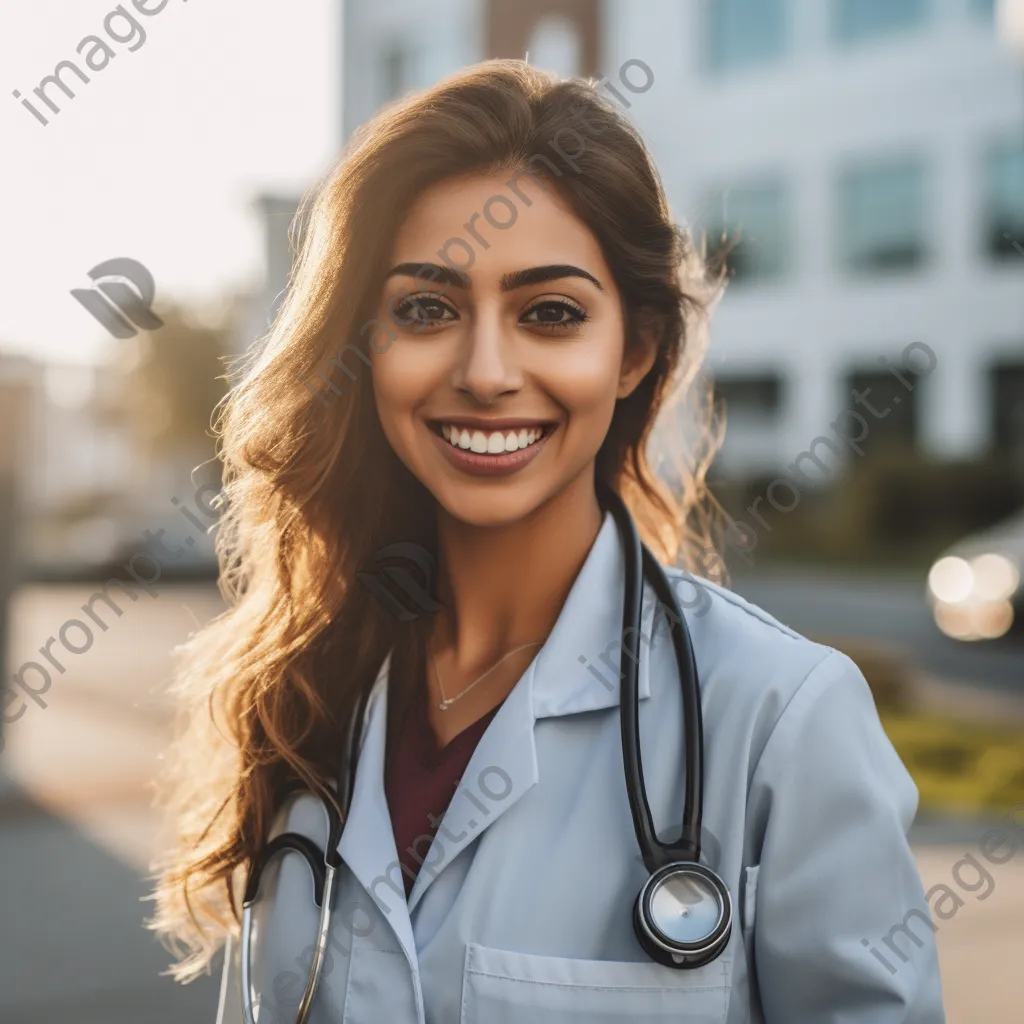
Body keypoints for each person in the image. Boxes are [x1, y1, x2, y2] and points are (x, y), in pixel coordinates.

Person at [149, 60, 946, 1023]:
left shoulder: (780, 721)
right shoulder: (307, 694)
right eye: (427, 309)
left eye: (551, 314)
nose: (486, 372)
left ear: (636, 351)